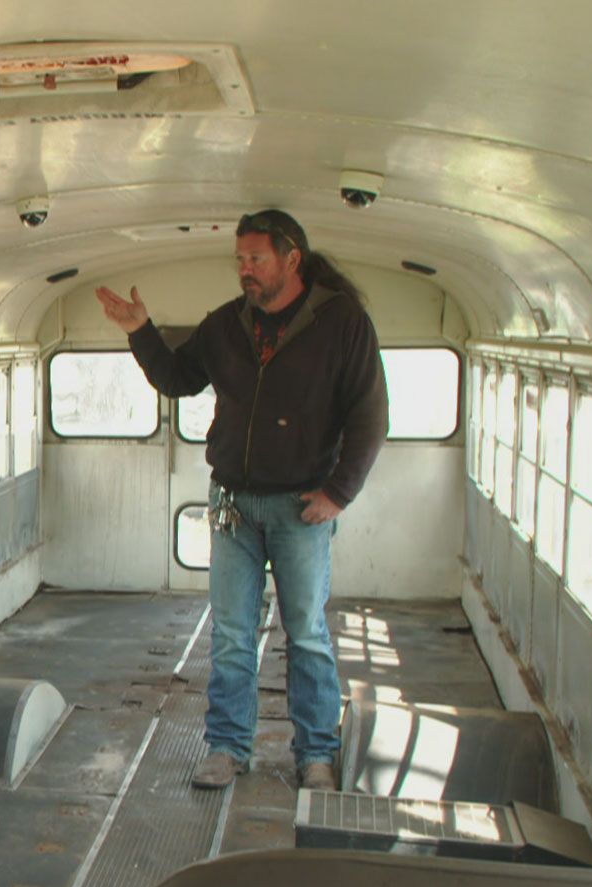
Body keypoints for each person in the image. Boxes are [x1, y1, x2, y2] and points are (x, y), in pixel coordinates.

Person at [95, 209, 387, 791]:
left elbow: (370, 414)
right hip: (233, 503)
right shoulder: (228, 325)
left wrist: (338, 493)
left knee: (305, 633)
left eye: (256, 258)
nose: (245, 270)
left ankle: (317, 756)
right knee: (230, 632)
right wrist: (141, 331)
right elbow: (180, 378)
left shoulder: (341, 323)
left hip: (302, 508)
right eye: (240, 259)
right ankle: (228, 746)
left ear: (291, 259)